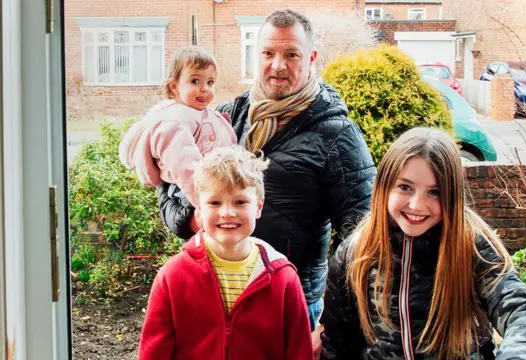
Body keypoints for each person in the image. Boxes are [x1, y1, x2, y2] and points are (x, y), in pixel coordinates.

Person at [156, 8, 376, 337]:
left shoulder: (337, 136)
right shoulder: (225, 118)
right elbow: (169, 183)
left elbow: (364, 242)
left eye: (291, 54)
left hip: (291, 304)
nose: (277, 65)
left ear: (312, 57)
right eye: (268, 53)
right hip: (218, 296)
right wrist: (191, 218)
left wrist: (331, 323)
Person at [320, 128, 526, 360]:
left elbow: (523, 313)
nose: (416, 205)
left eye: (434, 192)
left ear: (452, 196)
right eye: (405, 187)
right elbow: (337, 346)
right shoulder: (355, 253)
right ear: (384, 187)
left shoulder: (471, 246)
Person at [138, 146, 312, 360]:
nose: (227, 213)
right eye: (214, 202)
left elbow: (299, 351)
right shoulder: (172, 277)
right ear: (199, 209)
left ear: (258, 206)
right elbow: (154, 353)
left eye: (240, 202)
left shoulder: (283, 279)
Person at [119, 45, 237, 236]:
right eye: (195, 80)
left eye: (210, 82)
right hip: (190, 190)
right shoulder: (175, 121)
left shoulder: (198, 113)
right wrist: (207, 204)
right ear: (174, 86)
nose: (204, 89)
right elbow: (185, 167)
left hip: (208, 188)